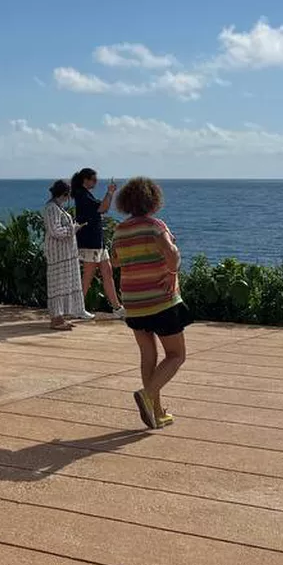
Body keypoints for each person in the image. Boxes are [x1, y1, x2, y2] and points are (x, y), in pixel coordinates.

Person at [112, 177, 190, 429]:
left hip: (134, 302)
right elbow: (171, 253)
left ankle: (156, 412)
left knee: (148, 355)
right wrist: (172, 270)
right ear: (153, 201)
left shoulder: (120, 230)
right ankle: (147, 395)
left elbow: (115, 261)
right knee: (176, 355)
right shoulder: (156, 226)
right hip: (161, 302)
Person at [70, 168, 124, 319]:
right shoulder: (82, 195)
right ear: (85, 180)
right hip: (89, 242)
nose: (96, 182)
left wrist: (110, 193)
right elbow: (103, 208)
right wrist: (110, 192)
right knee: (88, 275)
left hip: (97, 241)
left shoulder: (86, 194)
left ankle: (117, 308)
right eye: (93, 179)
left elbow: (101, 208)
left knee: (107, 272)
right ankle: (77, 307)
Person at [41, 180, 84, 331]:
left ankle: (60, 317)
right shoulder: (52, 208)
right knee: (57, 285)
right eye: (68, 195)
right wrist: (73, 229)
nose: (68, 198)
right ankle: (56, 319)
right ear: (64, 194)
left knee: (64, 284)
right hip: (58, 254)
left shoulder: (57, 207)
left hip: (65, 253)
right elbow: (55, 231)